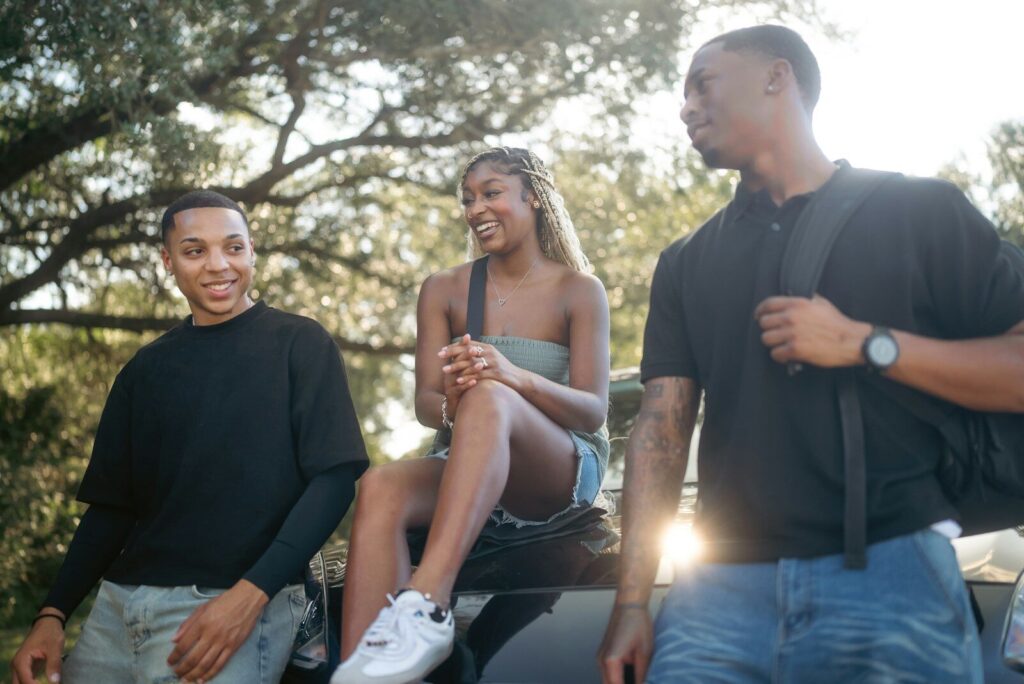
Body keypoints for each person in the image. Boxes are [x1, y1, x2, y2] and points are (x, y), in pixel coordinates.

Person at [598, 24, 1024, 684]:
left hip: (893, 573)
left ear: (777, 76)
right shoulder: (685, 262)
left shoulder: (920, 211)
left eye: (701, 84)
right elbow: (661, 428)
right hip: (714, 594)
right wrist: (631, 601)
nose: (685, 107)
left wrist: (865, 344)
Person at [10, 190, 369, 684]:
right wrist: (51, 615)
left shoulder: (300, 344)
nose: (219, 265)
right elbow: (112, 509)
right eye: (196, 250)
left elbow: (334, 482)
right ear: (168, 260)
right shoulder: (144, 370)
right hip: (116, 613)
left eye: (234, 247)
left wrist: (250, 596)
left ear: (252, 250)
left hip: (227, 608)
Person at [332, 147, 610, 684]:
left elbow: (593, 409)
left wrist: (511, 376)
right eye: (467, 198)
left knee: (491, 394)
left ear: (532, 196)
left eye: (490, 193)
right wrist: (453, 404)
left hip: (556, 471)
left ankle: (427, 602)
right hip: (469, 457)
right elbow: (425, 407)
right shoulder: (445, 288)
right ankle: (364, 669)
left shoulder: (579, 290)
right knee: (381, 485)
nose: (475, 208)